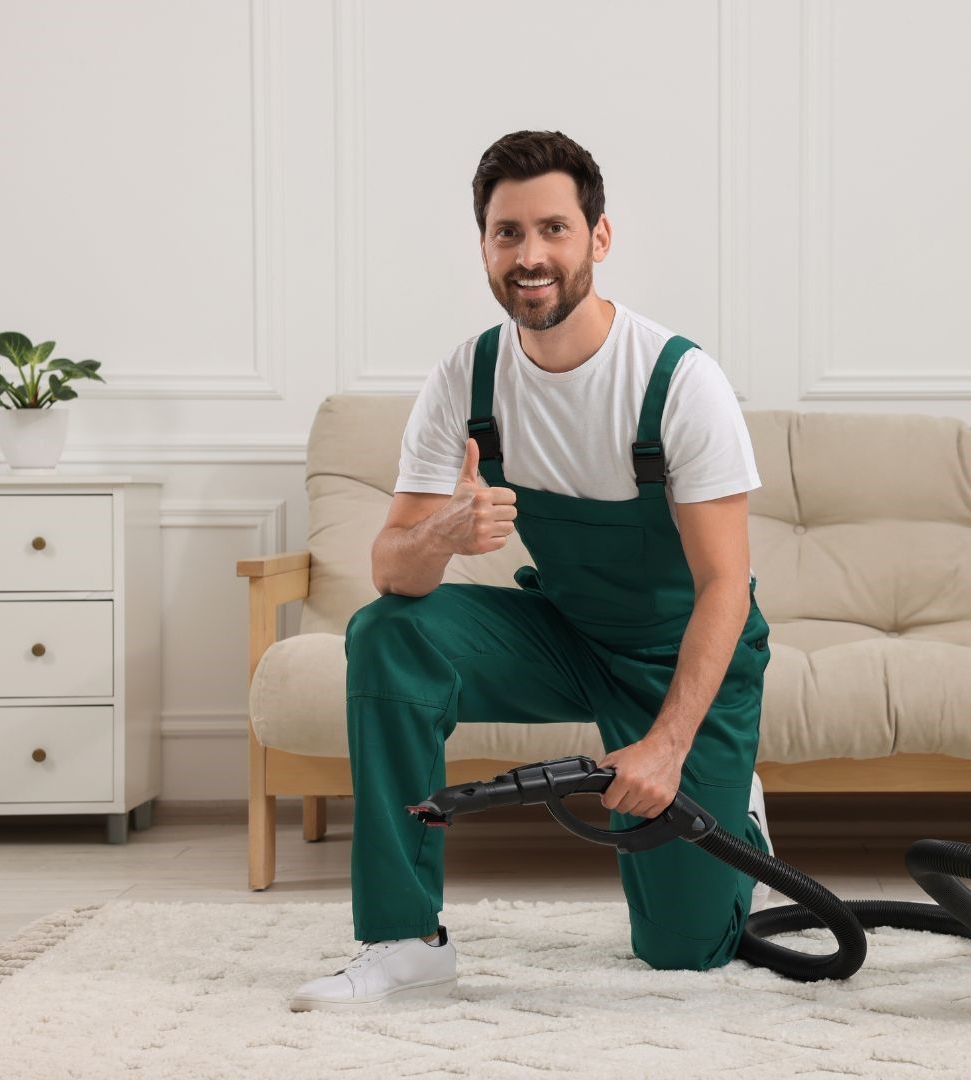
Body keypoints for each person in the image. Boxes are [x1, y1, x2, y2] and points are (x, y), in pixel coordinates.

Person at [290, 130, 775, 1011]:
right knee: (387, 635)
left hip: (680, 657)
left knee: (685, 952)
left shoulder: (677, 381)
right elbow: (394, 571)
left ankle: (734, 803)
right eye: (507, 233)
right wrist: (444, 530)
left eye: (553, 228)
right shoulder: (467, 378)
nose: (531, 255)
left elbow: (724, 588)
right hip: (568, 630)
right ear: (483, 246)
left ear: (599, 237)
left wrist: (668, 749)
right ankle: (405, 939)